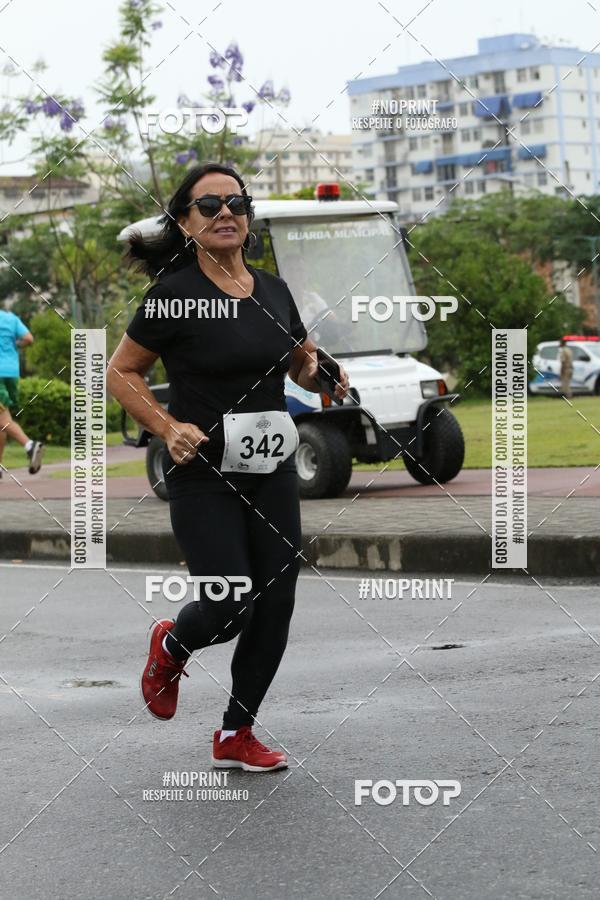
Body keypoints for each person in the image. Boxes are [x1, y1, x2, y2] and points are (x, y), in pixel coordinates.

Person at [107, 163, 349, 772]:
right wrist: (167, 427)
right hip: (202, 472)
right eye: (207, 205)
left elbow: (299, 360)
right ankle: (173, 642)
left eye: (235, 202)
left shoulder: (272, 289)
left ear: (248, 215)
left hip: (270, 467)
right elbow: (121, 373)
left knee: (276, 602)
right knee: (229, 602)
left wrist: (325, 375)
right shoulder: (173, 295)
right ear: (185, 224)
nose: (224, 213)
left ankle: (236, 733)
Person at [0, 308, 44, 479]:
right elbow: (28, 338)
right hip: (11, 374)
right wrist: (15, 346)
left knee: (3, 419)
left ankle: (30, 446)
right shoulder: (10, 318)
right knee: (2, 419)